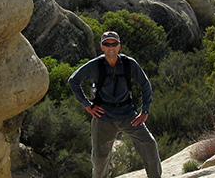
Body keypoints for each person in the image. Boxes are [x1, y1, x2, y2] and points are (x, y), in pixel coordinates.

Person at [68, 31, 163, 178]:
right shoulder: (95, 65)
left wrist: (145, 110)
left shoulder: (128, 64)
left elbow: (145, 85)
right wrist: (87, 105)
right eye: (107, 44)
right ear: (102, 47)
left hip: (128, 115)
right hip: (103, 116)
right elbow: (73, 80)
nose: (110, 47)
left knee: (149, 144)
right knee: (99, 159)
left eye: (114, 44)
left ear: (119, 46)